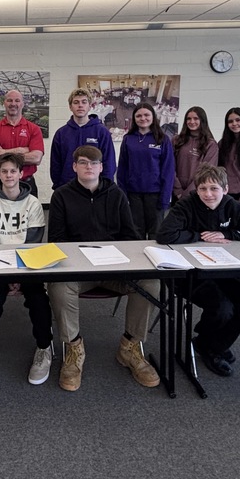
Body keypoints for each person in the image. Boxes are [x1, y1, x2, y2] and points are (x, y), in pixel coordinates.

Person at [47, 145, 160, 392]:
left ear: (102, 167)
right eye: (84, 162)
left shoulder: (117, 194)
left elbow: (131, 236)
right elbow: (56, 240)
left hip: (114, 271)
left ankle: (130, 347)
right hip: (79, 272)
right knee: (56, 285)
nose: (89, 167)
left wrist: (118, 258)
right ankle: (73, 348)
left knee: (150, 283)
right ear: (74, 166)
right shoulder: (61, 196)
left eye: (94, 163)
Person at [156, 164, 240, 377]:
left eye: (214, 189)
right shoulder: (186, 205)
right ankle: (214, 348)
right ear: (196, 190)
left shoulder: (231, 205)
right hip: (190, 274)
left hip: (223, 269)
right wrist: (200, 236)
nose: (208, 194)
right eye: (203, 189)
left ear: (225, 189)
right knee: (222, 309)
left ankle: (209, 345)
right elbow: (164, 235)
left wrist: (227, 235)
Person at [0, 152, 50, 394]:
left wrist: (19, 276)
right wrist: (7, 276)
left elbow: (34, 243)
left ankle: (44, 348)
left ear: (21, 173)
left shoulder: (33, 203)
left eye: (12, 171)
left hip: (27, 266)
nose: (8, 175)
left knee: (38, 299)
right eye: (3, 171)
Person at [116, 101, 174, 239]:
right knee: (135, 233)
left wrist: (165, 198)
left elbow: (168, 170)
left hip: (156, 195)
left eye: (146, 115)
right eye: (139, 116)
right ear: (134, 119)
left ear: (153, 117)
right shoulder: (128, 139)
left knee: (156, 234)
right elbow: (122, 169)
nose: (143, 118)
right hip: (133, 195)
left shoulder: (163, 139)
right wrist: (123, 195)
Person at [50, 87, 116, 191]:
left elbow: (109, 162)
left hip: (95, 190)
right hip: (67, 189)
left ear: (90, 106)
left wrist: (105, 188)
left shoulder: (102, 132)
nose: (80, 105)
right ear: (70, 107)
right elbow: (55, 165)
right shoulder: (61, 134)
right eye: (76, 102)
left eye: (84, 102)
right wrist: (59, 187)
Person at [0, 88, 45, 196]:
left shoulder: (34, 129)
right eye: (9, 100)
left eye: (17, 100)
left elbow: (36, 158)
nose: (13, 104)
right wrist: (21, 150)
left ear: (22, 103)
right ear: (4, 103)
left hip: (27, 184)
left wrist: (1, 152)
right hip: (0, 184)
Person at [172, 106, 218, 201]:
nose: (192, 122)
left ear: (202, 120)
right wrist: (178, 190)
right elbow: (169, 166)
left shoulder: (210, 144)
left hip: (199, 193)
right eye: (188, 119)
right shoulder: (176, 140)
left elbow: (206, 172)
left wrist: (188, 194)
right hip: (177, 193)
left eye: (196, 118)